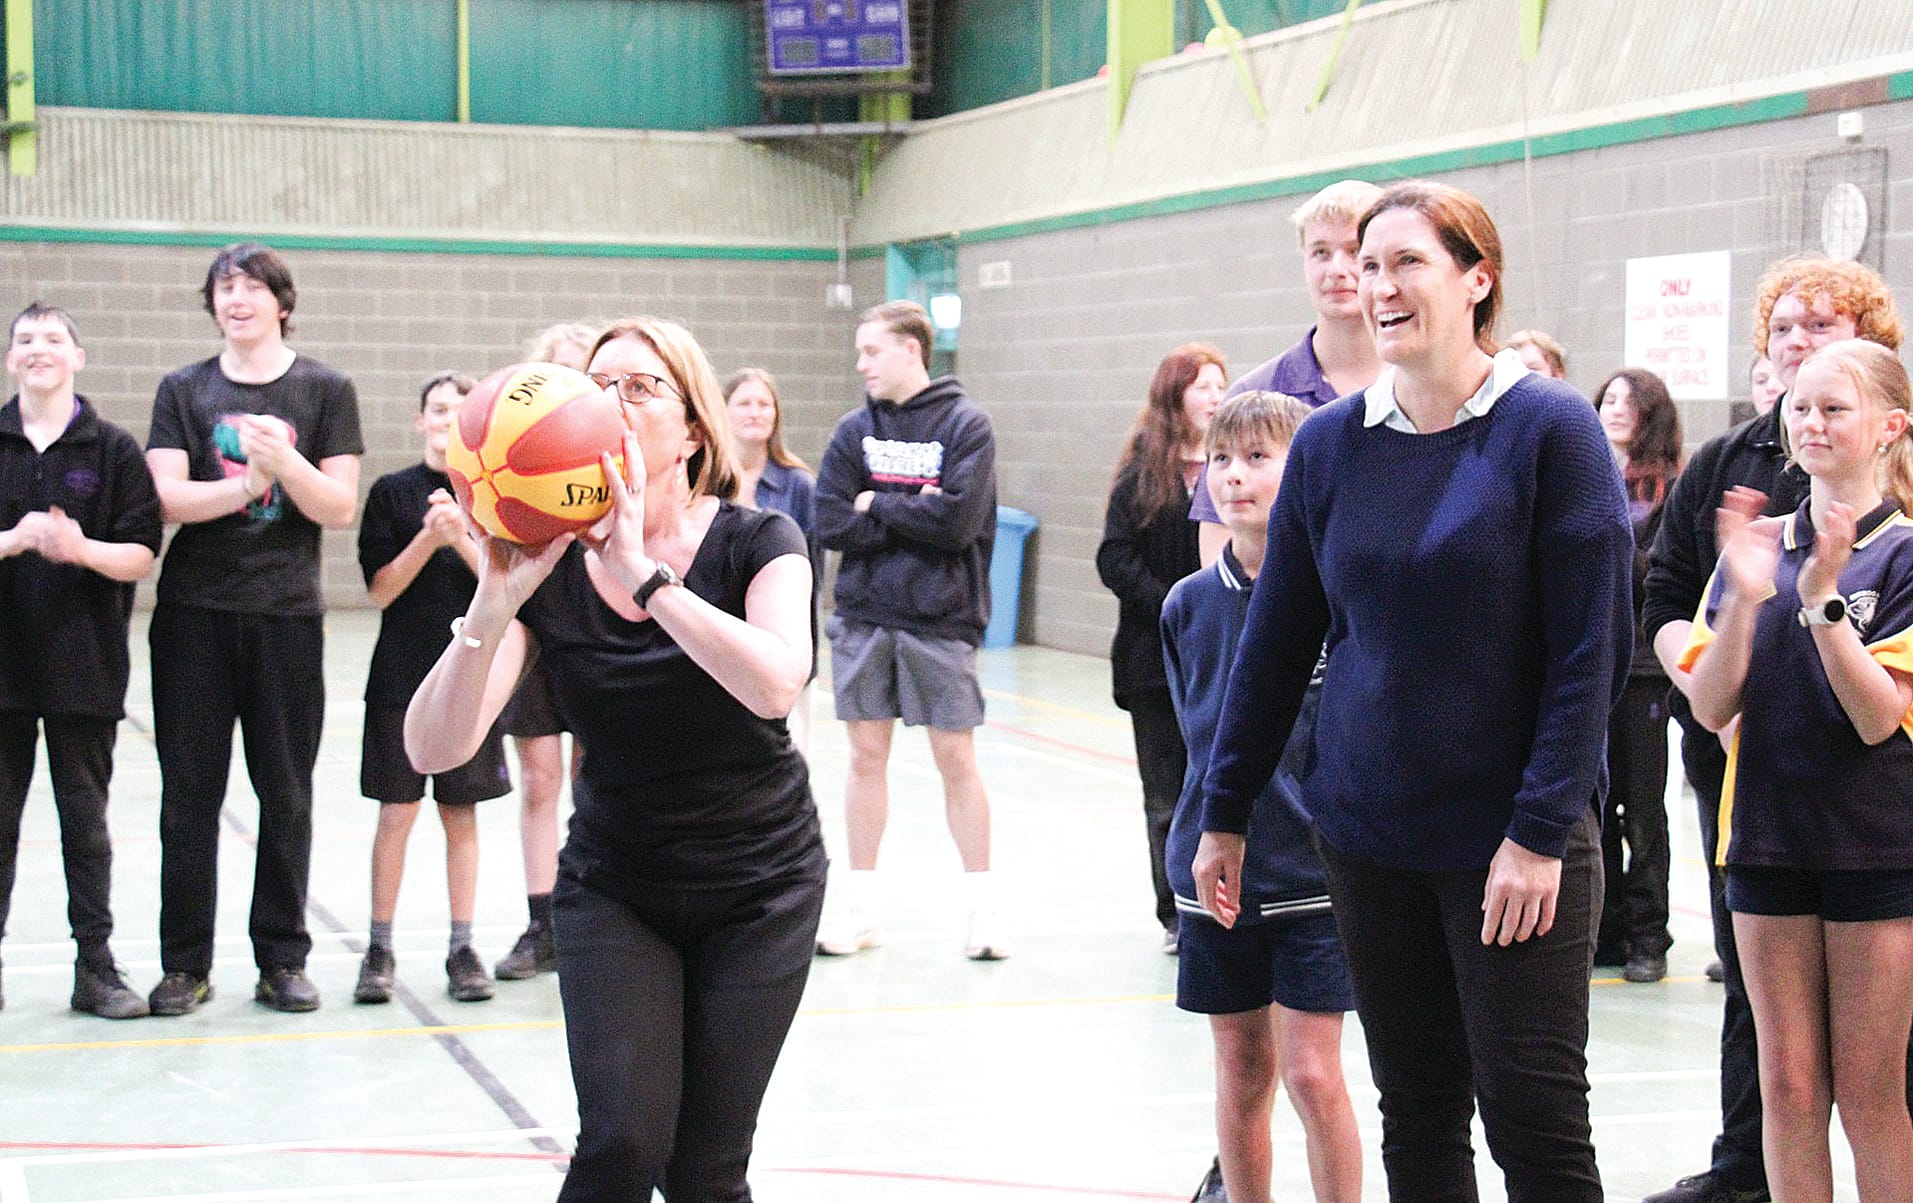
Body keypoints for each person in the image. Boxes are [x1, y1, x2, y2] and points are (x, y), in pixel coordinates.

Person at [1194, 180, 1633, 1200]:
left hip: (1510, 844)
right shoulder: (1330, 444)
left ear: (1475, 280)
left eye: (1405, 264)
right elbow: (1275, 642)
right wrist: (1222, 810)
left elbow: (1589, 656)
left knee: (1533, 1123)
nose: (1374, 283)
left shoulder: (1550, 433)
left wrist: (1535, 832)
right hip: (1367, 838)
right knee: (1418, 1114)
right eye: (1364, 262)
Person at [404, 316, 822, 1200]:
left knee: (706, 1170)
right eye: (597, 384)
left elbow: (777, 683)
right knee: (622, 1145)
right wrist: (492, 601)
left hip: (760, 886)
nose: (611, 402)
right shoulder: (549, 569)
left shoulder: (762, 540)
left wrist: (645, 575)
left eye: (639, 387)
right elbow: (432, 745)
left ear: (693, 431)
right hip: (615, 883)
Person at [1643, 254, 1905, 1203]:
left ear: (1889, 424)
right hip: (1762, 841)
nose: (1810, 420)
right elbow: (1710, 707)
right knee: (1787, 1083)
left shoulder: (1903, 550)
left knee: (1870, 1090)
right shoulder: (1756, 548)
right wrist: (1750, 601)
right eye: (1798, 406)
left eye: (1833, 404)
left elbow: (1879, 720)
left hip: (1876, 849)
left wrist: (1826, 601)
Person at [144, 243, 363, 1015]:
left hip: (286, 617)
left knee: (286, 792)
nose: (236, 298)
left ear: (281, 301)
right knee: (188, 795)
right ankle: (184, 963)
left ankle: (282, 958)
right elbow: (166, 498)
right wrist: (247, 483)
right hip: (194, 616)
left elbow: (337, 507)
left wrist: (285, 468)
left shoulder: (326, 388)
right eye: (223, 288)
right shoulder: (183, 388)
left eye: (251, 286)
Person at [1164, 390, 1361, 1203]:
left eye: (1257, 458)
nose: (1234, 477)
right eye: (1220, 459)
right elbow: (1199, 738)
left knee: (1313, 1074)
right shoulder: (1186, 604)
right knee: (1242, 1069)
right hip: (1215, 880)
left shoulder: (1333, 594)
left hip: (1311, 875)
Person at [814, 299, 1004, 960]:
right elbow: (831, 519)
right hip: (865, 618)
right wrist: (910, 507)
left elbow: (957, 524)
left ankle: (982, 913)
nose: (861, 362)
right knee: (866, 758)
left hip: (940, 620)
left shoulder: (965, 424)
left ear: (909, 349)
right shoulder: (850, 431)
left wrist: (876, 501)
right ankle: (860, 908)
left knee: (957, 762)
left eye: (871, 350)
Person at [0, 303, 161, 1019]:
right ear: (11, 361)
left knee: (84, 827)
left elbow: (141, 554)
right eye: (26, 339)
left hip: (84, 671)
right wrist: (13, 538)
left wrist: (79, 549)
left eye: (54, 339)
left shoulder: (114, 449)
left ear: (78, 357)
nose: (40, 349)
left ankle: (95, 967)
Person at [353, 371, 512, 1006]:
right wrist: (430, 535)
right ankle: (379, 946)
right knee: (396, 813)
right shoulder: (392, 494)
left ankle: (462, 946)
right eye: (437, 409)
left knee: (460, 814)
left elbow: (502, 588)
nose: (447, 419)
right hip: (398, 675)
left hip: (468, 680)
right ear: (421, 420)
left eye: (460, 410)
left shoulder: (494, 497)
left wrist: (464, 540)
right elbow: (380, 590)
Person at [1097, 343, 1226, 953]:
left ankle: (1223, 898)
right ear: (1176, 396)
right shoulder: (1142, 477)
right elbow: (1113, 557)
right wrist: (1173, 602)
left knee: (1220, 784)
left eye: (1220, 385)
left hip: (1219, 658)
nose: (1214, 396)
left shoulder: (1232, 470)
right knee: (1166, 796)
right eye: (1203, 386)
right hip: (1154, 658)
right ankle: (1175, 911)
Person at [1192, 179, 1384, 565]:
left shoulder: (1425, 389)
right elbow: (1218, 551)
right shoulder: (1256, 395)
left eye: (1353, 251)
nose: (1337, 269)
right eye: (1320, 252)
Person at [492, 321, 597, 982]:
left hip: (596, 619)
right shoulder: (516, 450)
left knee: (597, 775)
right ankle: (542, 921)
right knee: (538, 777)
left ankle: (593, 906)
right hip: (535, 626)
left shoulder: (611, 456)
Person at [1591, 367, 1684, 983]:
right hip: (1591, 663)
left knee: (1642, 805)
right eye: (1609, 398)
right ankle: (1603, 931)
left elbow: (1658, 572)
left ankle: (1650, 932)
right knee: (1592, 803)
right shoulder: (1581, 474)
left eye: (1629, 399)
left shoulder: (1668, 488)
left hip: (1646, 667)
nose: (1616, 407)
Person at [725, 366, 823, 756]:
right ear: (723, 412)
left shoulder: (799, 485)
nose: (755, 412)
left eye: (764, 404)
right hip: (724, 640)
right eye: (745, 403)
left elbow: (811, 573)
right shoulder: (709, 481)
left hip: (784, 645)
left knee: (792, 749)